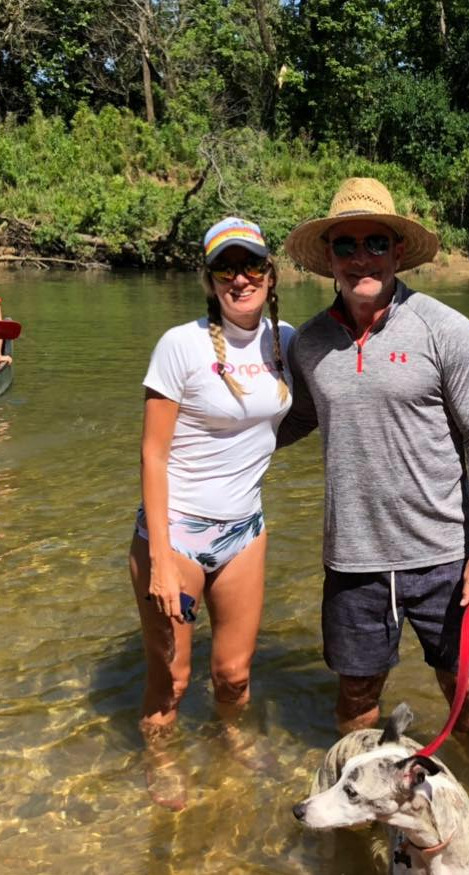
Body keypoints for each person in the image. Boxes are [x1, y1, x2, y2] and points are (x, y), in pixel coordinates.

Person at [278, 177, 469, 758]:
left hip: (443, 559)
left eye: (375, 242)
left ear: (398, 251)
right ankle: (358, 818)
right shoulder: (307, 345)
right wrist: (211, 443)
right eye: (347, 245)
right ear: (328, 257)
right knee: (356, 702)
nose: (362, 258)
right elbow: (294, 420)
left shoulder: (445, 330)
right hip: (352, 560)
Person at [129, 216, 294, 809]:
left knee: (234, 675)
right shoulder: (182, 345)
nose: (240, 278)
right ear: (209, 280)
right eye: (227, 267)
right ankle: (162, 755)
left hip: (245, 532)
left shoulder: (287, 342)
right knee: (171, 679)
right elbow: (153, 454)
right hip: (176, 535)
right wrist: (161, 562)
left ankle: (229, 735)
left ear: (272, 275)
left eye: (252, 264)